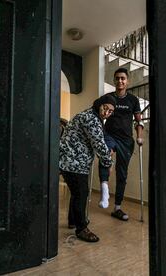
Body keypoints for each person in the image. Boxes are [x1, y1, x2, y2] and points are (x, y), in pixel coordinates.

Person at [59, 94, 116, 242]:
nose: (106, 113)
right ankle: (81, 228)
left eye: (110, 111)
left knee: (77, 193)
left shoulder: (93, 116)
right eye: (105, 108)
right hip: (73, 162)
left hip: (73, 161)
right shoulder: (90, 118)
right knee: (81, 193)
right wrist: (109, 163)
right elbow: (99, 144)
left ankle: (73, 221)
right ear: (100, 104)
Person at [98, 68, 144, 221]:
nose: (120, 81)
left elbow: (139, 121)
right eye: (117, 78)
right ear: (114, 80)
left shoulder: (133, 100)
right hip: (110, 135)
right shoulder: (108, 97)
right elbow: (99, 114)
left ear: (127, 81)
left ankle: (117, 207)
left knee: (122, 174)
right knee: (107, 154)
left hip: (126, 140)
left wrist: (140, 137)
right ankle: (104, 188)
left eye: (123, 78)